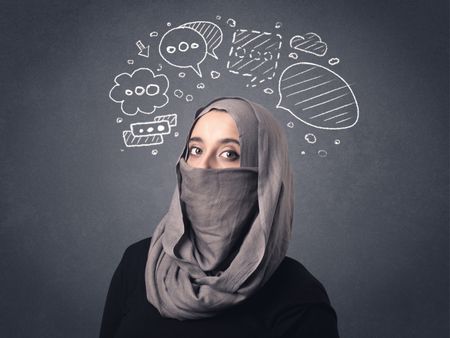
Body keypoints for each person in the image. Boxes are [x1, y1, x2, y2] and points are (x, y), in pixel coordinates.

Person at [99, 97, 340, 337]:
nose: (204, 166)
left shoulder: (298, 295)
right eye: (196, 150)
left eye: (229, 154)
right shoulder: (139, 262)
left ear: (266, 173)